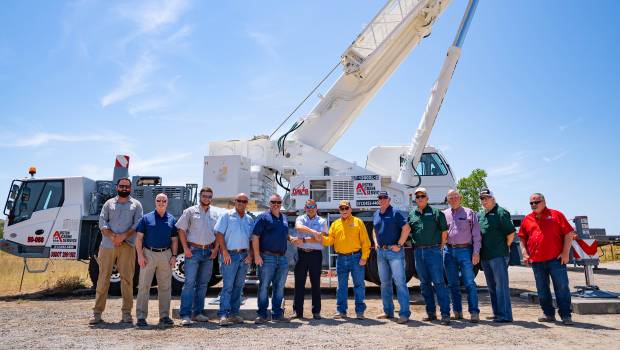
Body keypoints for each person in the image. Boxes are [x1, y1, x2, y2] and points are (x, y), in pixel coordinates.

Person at [90, 177, 143, 325]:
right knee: (103, 280)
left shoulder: (136, 205)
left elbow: (137, 223)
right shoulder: (108, 204)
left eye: (127, 187)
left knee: (127, 281)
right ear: (117, 187)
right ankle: (97, 314)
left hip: (127, 247)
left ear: (130, 189)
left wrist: (123, 236)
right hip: (107, 246)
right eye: (122, 186)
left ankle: (127, 314)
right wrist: (114, 237)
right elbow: (102, 222)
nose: (124, 189)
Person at [518, 193, 576, 326]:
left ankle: (566, 315)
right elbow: (522, 237)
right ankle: (548, 314)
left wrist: (565, 253)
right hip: (537, 261)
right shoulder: (527, 219)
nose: (534, 205)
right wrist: (524, 252)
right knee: (542, 289)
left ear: (544, 202)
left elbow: (569, 233)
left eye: (536, 202)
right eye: (531, 203)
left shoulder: (556, 215)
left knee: (561, 287)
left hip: (556, 260)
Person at [175, 186, 220, 326]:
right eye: (204, 196)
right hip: (193, 251)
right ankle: (185, 315)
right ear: (200, 196)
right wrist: (186, 248)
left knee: (203, 284)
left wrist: (215, 249)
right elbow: (181, 229)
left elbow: (218, 233)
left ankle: (198, 313)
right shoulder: (190, 211)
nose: (206, 198)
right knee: (189, 284)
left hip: (208, 252)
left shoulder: (215, 214)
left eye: (209, 196)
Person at [134, 193, 178, 328]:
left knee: (165, 287)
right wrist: (140, 255)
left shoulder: (172, 219)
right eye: (158, 200)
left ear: (167, 202)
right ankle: (141, 317)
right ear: (155, 202)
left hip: (165, 254)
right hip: (148, 254)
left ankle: (164, 316)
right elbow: (139, 239)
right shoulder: (146, 219)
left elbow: (174, 240)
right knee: (144, 286)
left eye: (163, 200)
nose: (161, 202)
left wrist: (174, 256)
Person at [408, 187, 451, 325]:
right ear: (415, 199)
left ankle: (445, 314)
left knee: (438, 282)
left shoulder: (436, 213)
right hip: (418, 252)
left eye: (422, 196)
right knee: (424, 284)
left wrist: (441, 247)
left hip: (433, 251)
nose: (420, 198)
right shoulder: (412, 214)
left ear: (427, 198)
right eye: (417, 196)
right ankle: (431, 313)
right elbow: (408, 231)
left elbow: (444, 231)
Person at [322, 200, 371, 320]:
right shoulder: (335, 224)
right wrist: (320, 237)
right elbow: (330, 241)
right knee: (341, 286)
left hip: (356, 258)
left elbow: (366, 241)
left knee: (359, 285)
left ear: (350, 209)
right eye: (341, 209)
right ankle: (341, 311)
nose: (344, 210)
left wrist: (364, 257)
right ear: (339, 210)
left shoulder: (358, 222)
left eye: (346, 208)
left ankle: (360, 312)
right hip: (341, 258)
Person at [214, 193, 254, 326]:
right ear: (234, 201)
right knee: (228, 286)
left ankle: (234, 314)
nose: (241, 203)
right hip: (230, 255)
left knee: (239, 286)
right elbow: (219, 234)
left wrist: (250, 255)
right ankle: (223, 314)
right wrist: (224, 252)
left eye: (244, 201)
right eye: (239, 200)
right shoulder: (226, 215)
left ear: (247, 203)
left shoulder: (249, 219)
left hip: (244, 256)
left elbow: (251, 239)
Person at [252, 194, 293, 324]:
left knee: (279, 287)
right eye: (273, 202)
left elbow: (284, 233)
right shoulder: (263, 217)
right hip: (267, 257)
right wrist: (257, 255)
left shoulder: (284, 218)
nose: (276, 204)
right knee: (264, 286)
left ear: (281, 203)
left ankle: (277, 314)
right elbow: (255, 237)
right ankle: (262, 314)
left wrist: (291, 239)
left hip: (282, 258)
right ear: (269, 203)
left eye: (278, 202)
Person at [443, 189, 481, 322]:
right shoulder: (444, 214)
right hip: (448, 251)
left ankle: (474, 312)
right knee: (452, 283)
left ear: (460, 198)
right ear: (447, 200)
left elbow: (476, 234)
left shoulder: (469, 212)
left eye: (455, 197)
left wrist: (476, 252)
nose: (453, 199)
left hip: (465, 251)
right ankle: (457, 312)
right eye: (450, 197)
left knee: (469, 282)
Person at [372, 191, 411, 324]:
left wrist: (399, 244)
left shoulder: (395, 212)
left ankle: (404, 313)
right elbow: (374, 229)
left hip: (394, 253)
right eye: (380, 198)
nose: (382, 200)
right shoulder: (376, 213)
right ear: (378, 200)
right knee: (385, 284)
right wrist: (376, 243)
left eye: (384, 198)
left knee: (400, 283)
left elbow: (406, 228)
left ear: (389, 200)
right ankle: (388, 311)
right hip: (381, 253)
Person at [477, 188, 515, 323]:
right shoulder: (481, 215)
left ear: (493, 198)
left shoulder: (501, 212)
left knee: (501, 286)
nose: (484, 200)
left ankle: (505, 315)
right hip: (486, 256)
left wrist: (505, 247)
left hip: (498, 255)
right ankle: (497, 313)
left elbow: (510, 233)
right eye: (482, 198)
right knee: (492, 286)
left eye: (487, 197)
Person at [292, 199, 327, 320]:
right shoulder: (300, 218)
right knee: (299, 283)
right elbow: (298, 227)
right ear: (305, 208)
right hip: (301, 255)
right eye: (308, 206)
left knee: (316, 283)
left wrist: (304, 240)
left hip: (315, 255)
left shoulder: (322, 220)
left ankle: (316, 312)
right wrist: (313, 232)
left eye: (313, 206)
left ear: (316, 208)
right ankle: (297, 312)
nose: (310, 208)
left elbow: (320, 238)